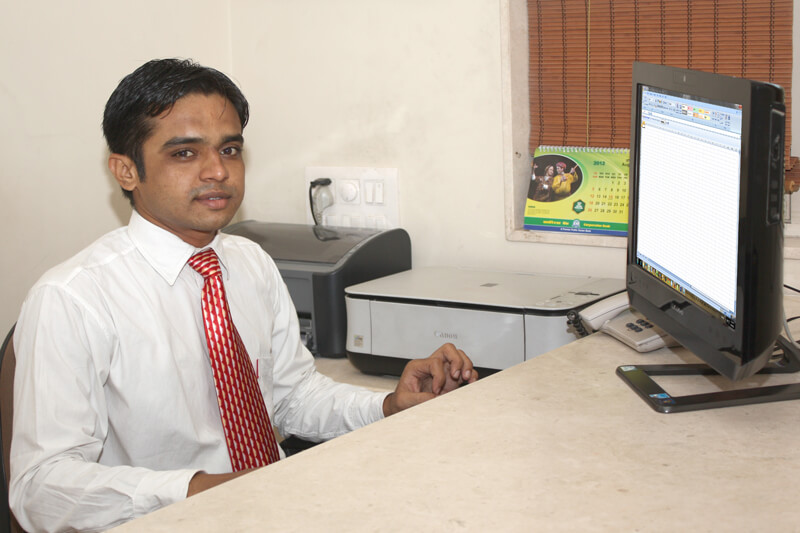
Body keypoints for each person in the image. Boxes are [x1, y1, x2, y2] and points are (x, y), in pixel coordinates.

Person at [9, 58, 477, 532]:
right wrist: (198, 489)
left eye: (229, 149)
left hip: (277, 508)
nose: (218, 171)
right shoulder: (73, 298)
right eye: (185, 154)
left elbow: (292, 397)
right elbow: (40, 487)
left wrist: (386, 407)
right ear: (126, 171)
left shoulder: (250, 263)